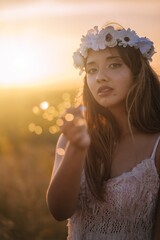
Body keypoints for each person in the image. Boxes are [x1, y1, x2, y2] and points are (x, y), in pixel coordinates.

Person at [46, 23, 160, 240]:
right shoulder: (71, 140)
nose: (100, 77)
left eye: (114, 65)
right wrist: (77, 149)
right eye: (92, 69)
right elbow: (59, 211)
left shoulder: (156, 144)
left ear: (137, 73)